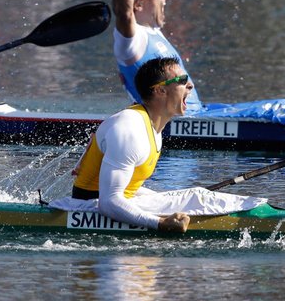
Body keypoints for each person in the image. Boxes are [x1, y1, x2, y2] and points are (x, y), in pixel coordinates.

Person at [70, 57, 198, 232]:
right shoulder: (130, 127)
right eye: (182, 81)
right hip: (89, 209)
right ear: (160, 90)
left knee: (195, 196)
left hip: (120, 201)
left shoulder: (152, 126)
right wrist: (160, 224)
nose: (190, 85)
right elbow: (108, 202)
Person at [104, 0, 203, 113]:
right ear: (138, 5)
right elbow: (123, 11)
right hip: (170, 122)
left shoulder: (153, 30)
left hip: (199, 115)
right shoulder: (131, 41)